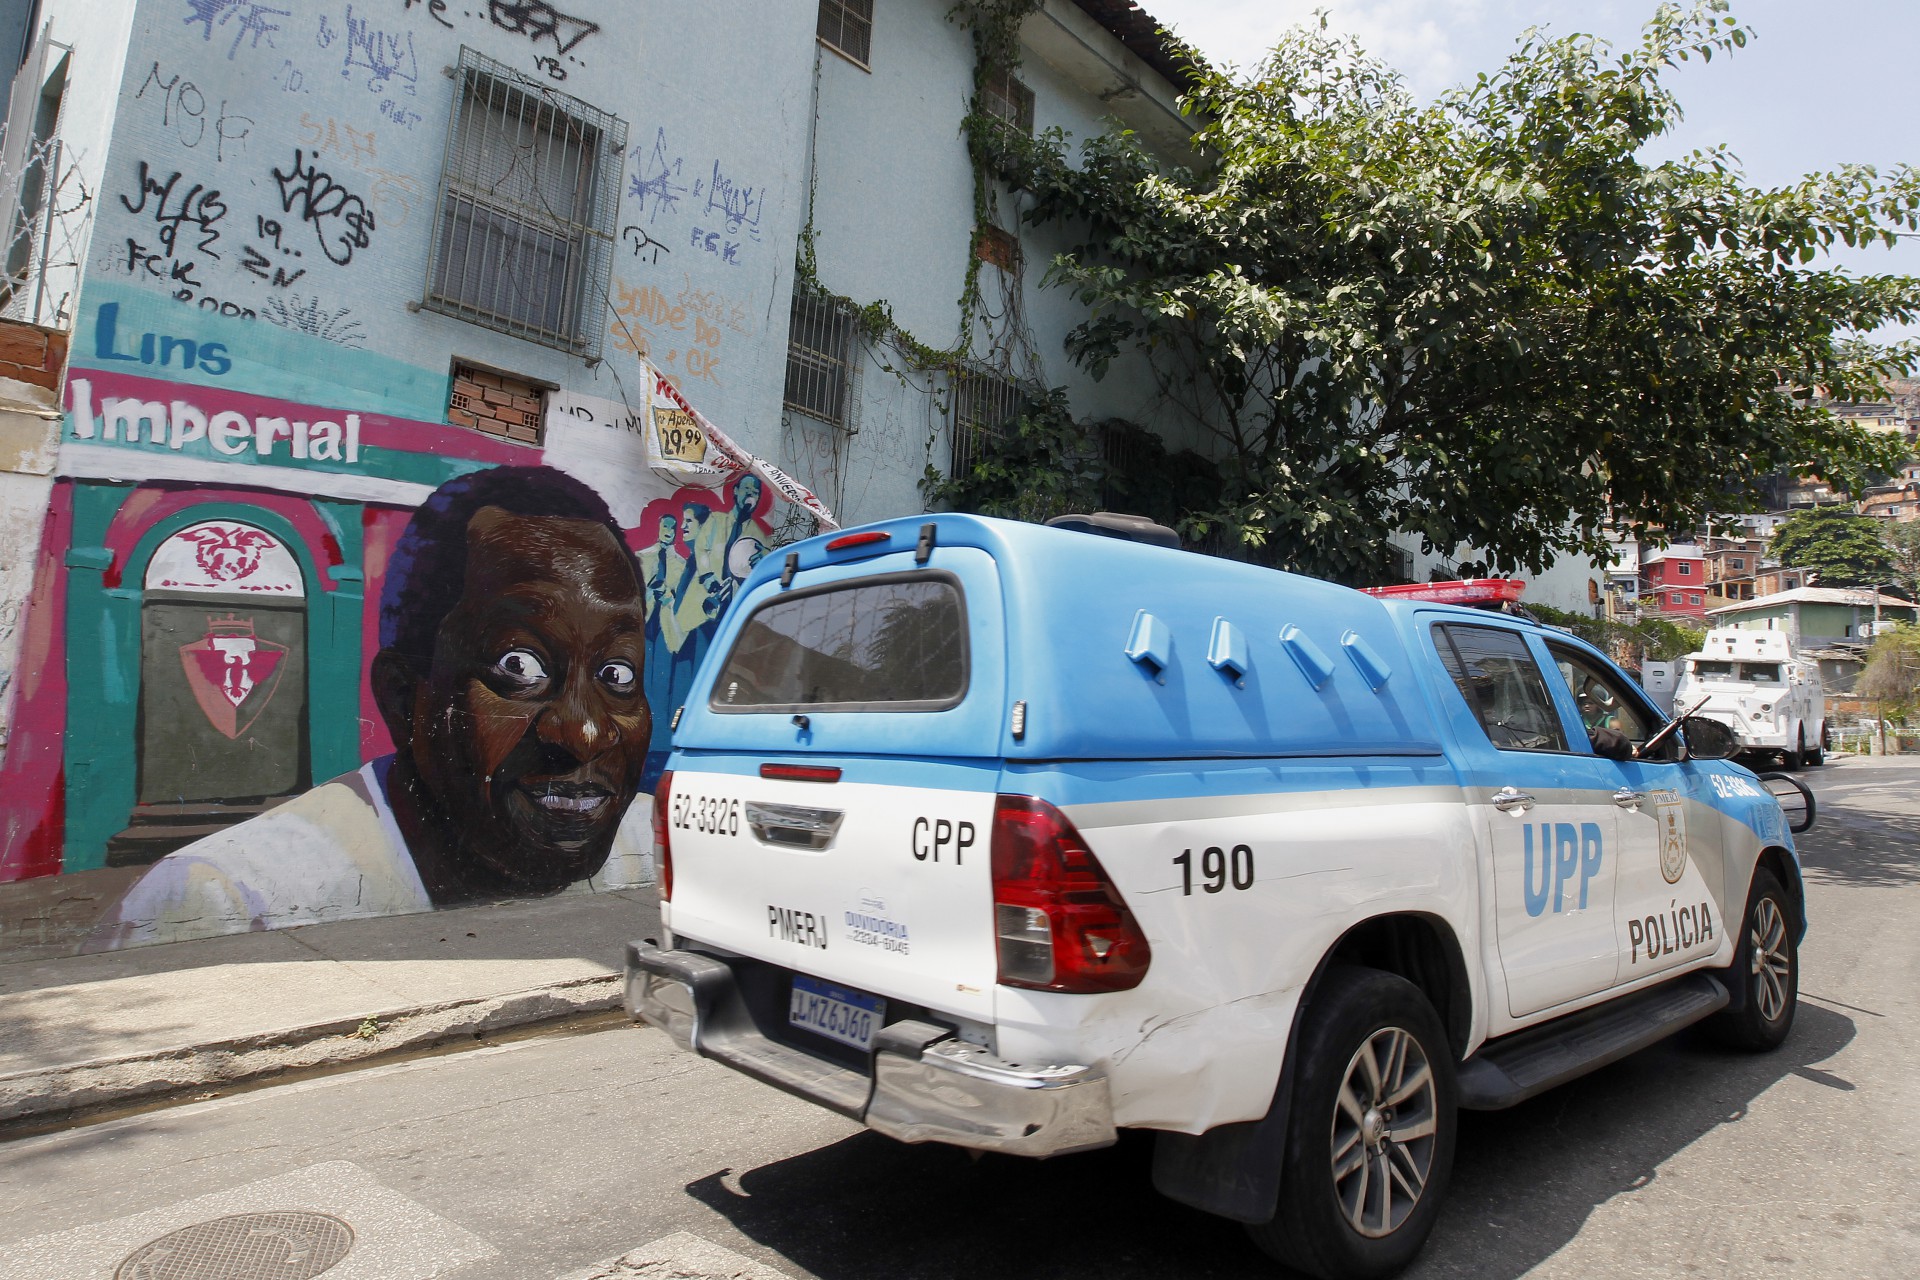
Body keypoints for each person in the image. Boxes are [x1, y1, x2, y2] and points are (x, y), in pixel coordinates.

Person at [102, 466, 653, 945]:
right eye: (519, 667)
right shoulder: (224, 904)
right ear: (401, 699)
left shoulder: (658, 844)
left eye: (617, 673)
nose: (584, 733)